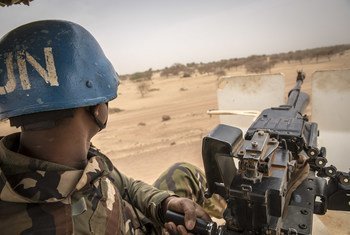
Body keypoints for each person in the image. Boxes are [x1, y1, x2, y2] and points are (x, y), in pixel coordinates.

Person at [0, 20, 226, 234]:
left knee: (184, 172)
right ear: (97, 108)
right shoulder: (67, 222)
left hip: (136, 219)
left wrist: (163, 203)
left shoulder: (69, 157)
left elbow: (122, 183)